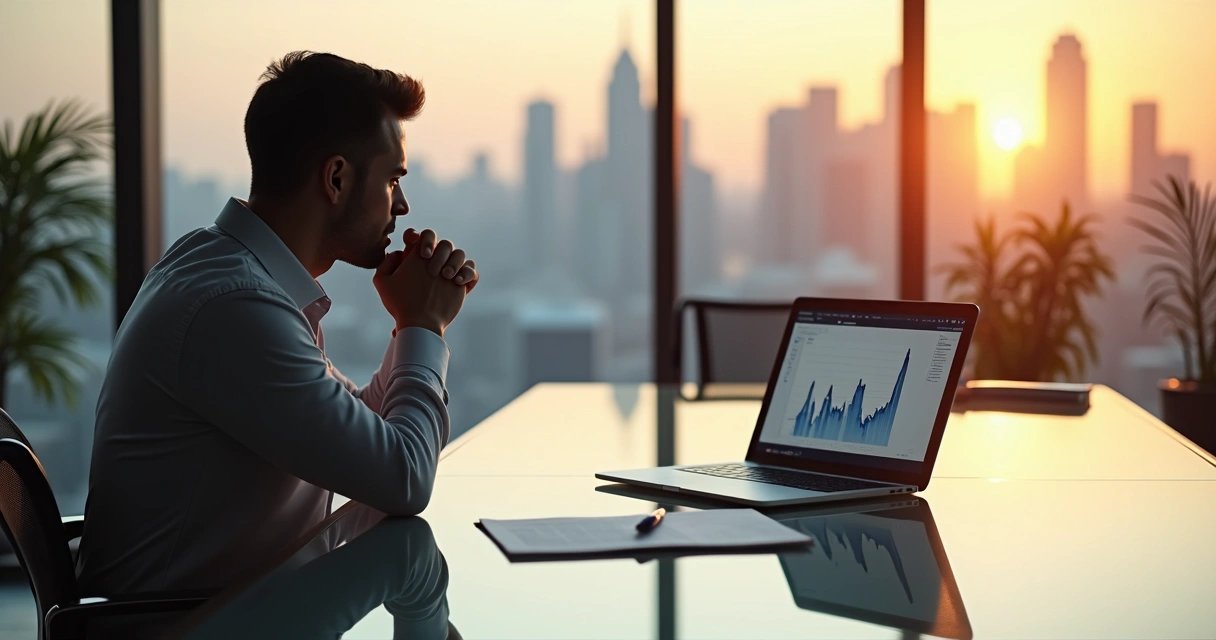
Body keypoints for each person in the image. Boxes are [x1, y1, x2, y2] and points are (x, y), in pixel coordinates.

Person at [75, 51, 476, 595]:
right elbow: (402, 478)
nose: (401, 206)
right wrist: (423, 326)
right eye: (392, 180)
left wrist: (412, 323)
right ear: (336, 178)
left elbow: (351, 431)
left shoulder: (231, 271)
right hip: (188, 631)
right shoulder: (234, 306)